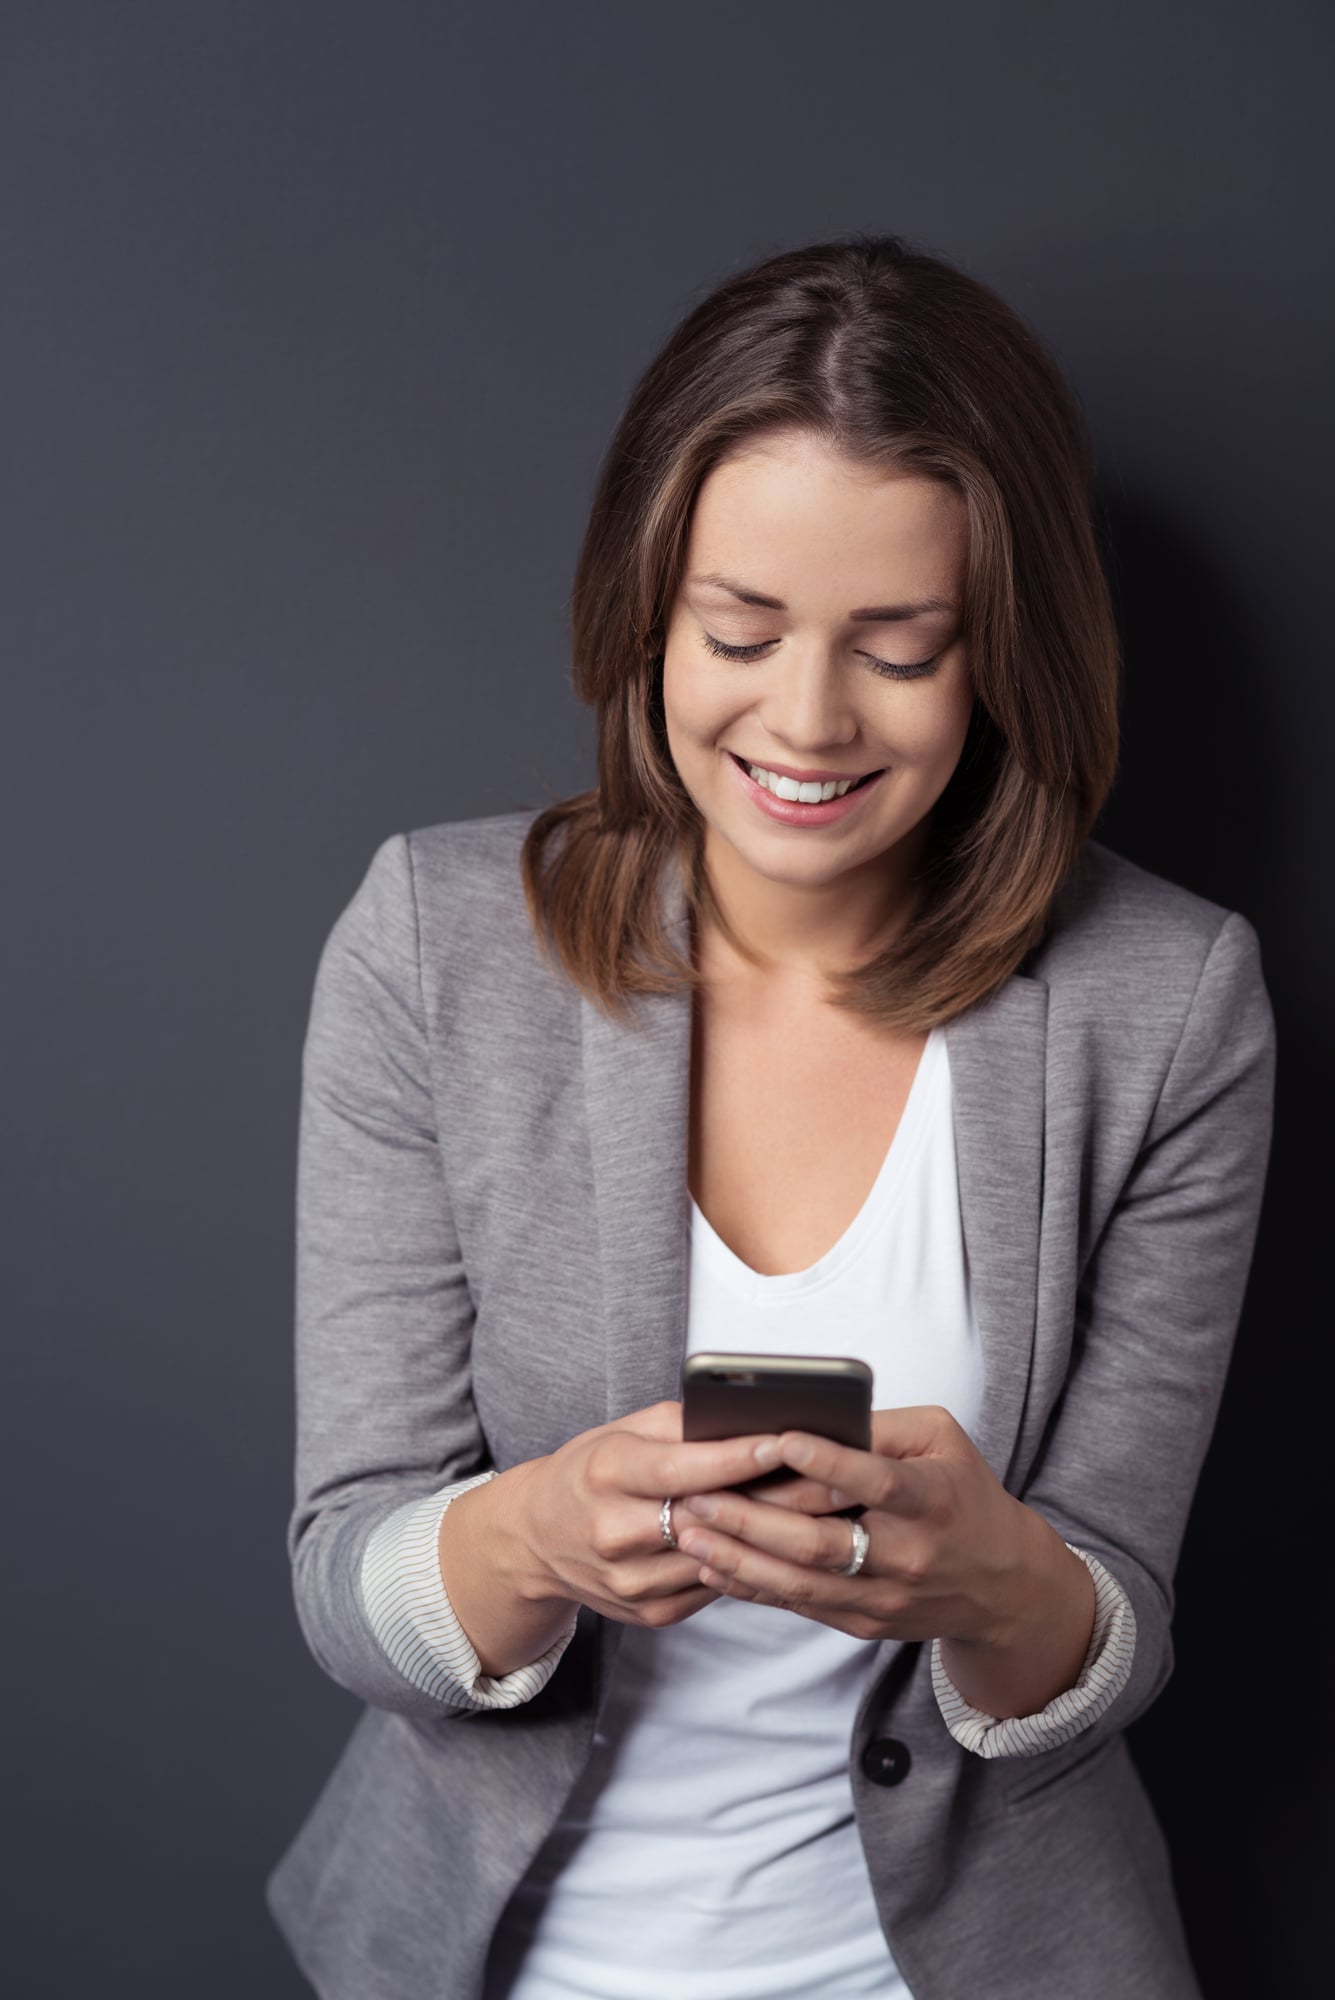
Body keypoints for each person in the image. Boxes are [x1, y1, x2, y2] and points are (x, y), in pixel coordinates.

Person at [265, 233, 1275, 2000]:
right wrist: (539, 1532)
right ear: (644, 609)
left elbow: (1118, 1620)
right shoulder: (434, 949)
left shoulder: (1171, 1006)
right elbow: (348, 1575)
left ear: (1003, 657)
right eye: (742, 632)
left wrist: (993, 1585)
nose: (806, 721)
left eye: (901, 649)